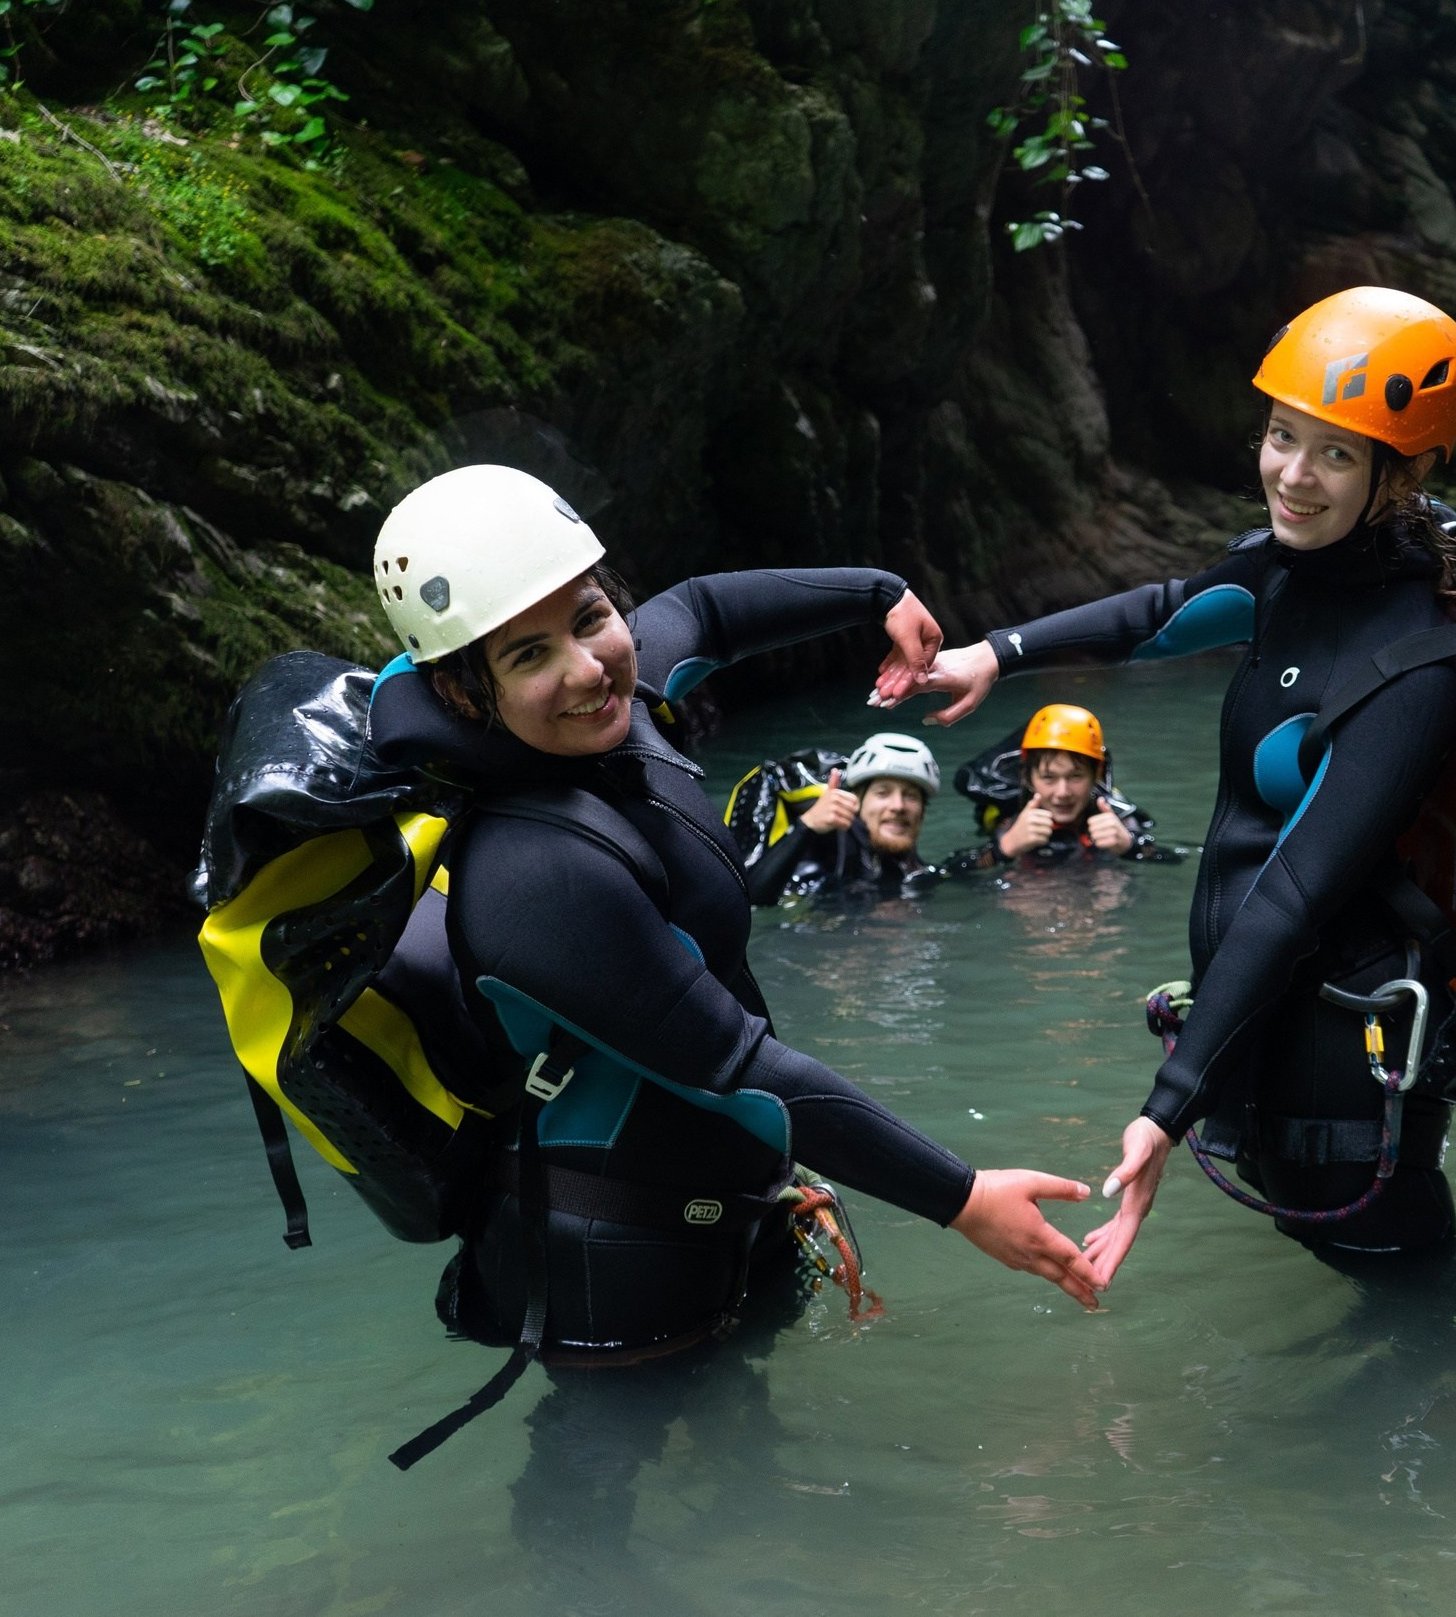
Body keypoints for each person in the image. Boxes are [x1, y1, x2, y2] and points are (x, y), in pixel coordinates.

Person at [362, 465, 1103, 1377]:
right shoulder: (529, 869)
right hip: (614, 1251)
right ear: (466, 694)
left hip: (725, 1193)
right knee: (595, 1499)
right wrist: (963, 1194)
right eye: (527, 655)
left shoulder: (616, 708)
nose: (588, 667)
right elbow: (737, 1064)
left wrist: (881, 594)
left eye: (590, 616)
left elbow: (707, 609)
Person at [889, 288, 1456, 1275]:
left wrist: (1166, 1107)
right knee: (1366, 1286)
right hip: (1267, 1031)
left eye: (1335, 453)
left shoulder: (1417, 657)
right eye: (1279, 436)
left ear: (1405, 471)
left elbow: (1296, 891)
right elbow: (1162, 613)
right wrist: (991, 654)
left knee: (1415, 1307)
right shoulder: (1290, 569)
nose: (1292, 477)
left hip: (1339, 1062)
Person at [947, 704, 1170, 866]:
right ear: (1028, 776)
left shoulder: (1117, 818)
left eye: (1075, 777)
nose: (1062, 793)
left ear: (1096, 775)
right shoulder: (1011, 817)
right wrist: (1004, 849)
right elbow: (952, 871)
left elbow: (1172, 859)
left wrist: (1129, 847)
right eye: (1048, 778)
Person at [741, 733, 942, 905]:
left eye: (911, 796)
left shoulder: (917, 871)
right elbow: (753, 898)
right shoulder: (829, 853)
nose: (898, 806)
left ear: (923, 810)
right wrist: (807, 825)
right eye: (882, 793)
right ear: (857, 802)